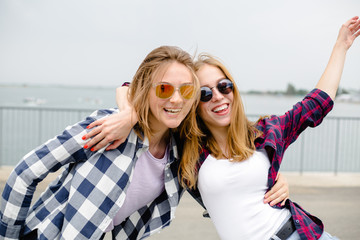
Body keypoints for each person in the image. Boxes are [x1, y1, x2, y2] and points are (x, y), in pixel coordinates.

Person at [83, 16, 360, 240]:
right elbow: (130, 88)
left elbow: (317, 103)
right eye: (204, 93)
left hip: (301, 234)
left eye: (223, 86)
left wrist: (340, 47)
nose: (217, 96)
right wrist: (129, 115)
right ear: (194, 103)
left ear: (233, 90)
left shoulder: (265, 134)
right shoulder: (187, 149)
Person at [0, 46, 288, 240]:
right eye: (164, 88)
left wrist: (270, 178)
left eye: (186, 90)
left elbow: (227, 183)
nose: (176, 99)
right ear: (146, 90)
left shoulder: (182, 154)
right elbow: (25, 173)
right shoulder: (108, 127)